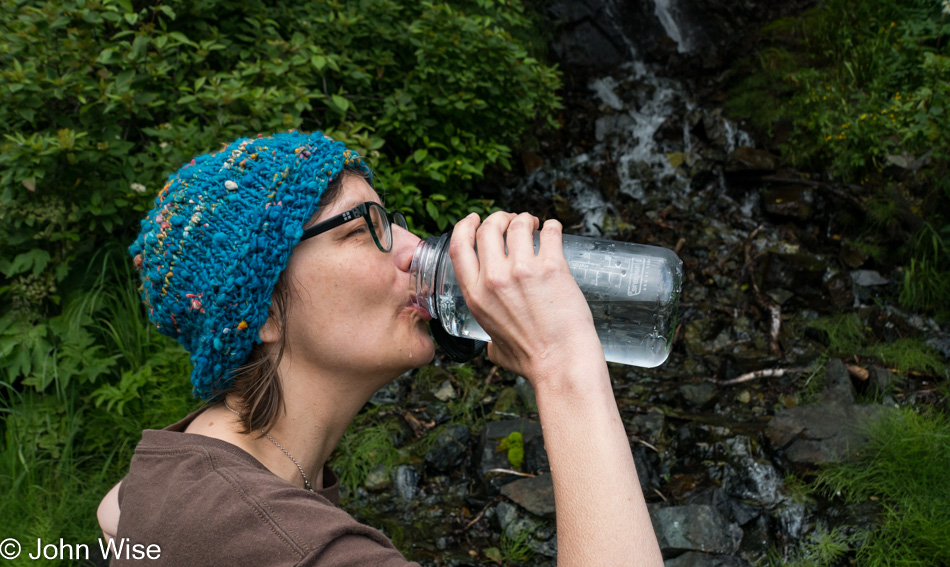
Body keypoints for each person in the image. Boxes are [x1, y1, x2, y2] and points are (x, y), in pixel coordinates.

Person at [98, 131, 663, 566]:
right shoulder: (285, 542)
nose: (416, 247)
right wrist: (564, 366)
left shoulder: (182, 479)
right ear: (263, 310)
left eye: (391, 221)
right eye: (360, 229)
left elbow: (120, 506)